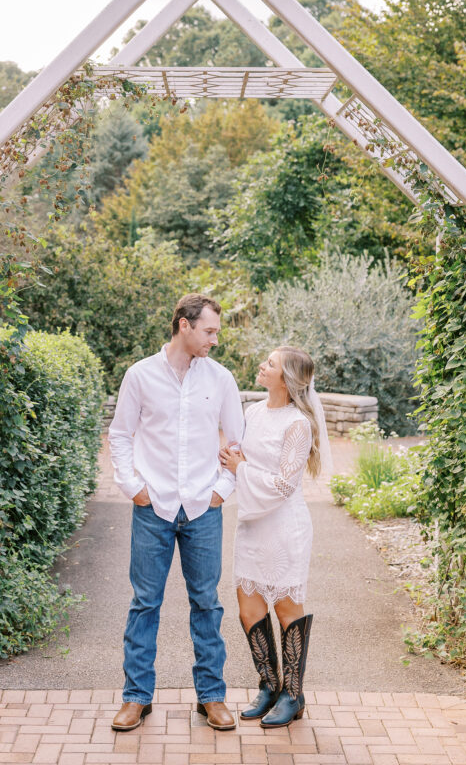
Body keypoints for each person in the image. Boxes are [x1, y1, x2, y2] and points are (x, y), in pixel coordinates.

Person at [108, 293, 245, 733]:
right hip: (154, 507)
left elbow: (237, 441)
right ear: (184, 326)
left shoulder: (221, 379)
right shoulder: (141, 375)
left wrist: (222, 490)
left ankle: (212, 698)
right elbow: (121, 434)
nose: (214, 340)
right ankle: (136, 698)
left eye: (217, 332)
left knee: (207, 604)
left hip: (204, 508)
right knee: (145, 603)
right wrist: (134, 488)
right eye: (209, 331)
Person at [219, 346, 332, 729]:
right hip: (252, 524)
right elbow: (242, 457)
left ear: (285, 379)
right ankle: (268, 684)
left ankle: (293, 694)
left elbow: (285, 485)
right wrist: (233, 456)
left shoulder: (298, 423)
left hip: (284, 526)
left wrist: (242, 467)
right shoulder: (253, 413)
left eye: (270, 364)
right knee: (249, 608)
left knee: (285, 610)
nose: (262, 366)